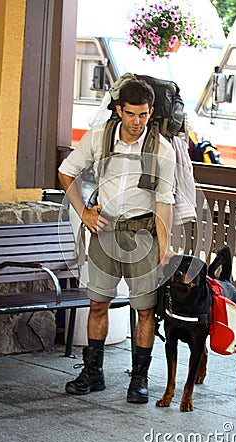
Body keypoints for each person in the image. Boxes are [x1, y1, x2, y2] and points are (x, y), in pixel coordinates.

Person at [58, 79, 176, 404]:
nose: (137, 122)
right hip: (104, 231)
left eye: (143, 115)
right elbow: (67, 171)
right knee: (98, 304)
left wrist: (165, 248)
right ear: (119, 110)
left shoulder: (161, 149)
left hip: (143, 236)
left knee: (146, 310)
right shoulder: (100, 136)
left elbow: (164, 201)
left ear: (151, 112)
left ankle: (139, 379)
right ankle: (93, 373)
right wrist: (84, 213)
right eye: (131, 114)